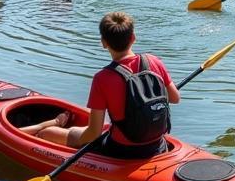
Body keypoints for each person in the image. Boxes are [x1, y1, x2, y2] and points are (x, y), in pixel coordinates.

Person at [19, 11, 181, 159]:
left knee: (47, 133)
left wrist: (75, 138)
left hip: (121, 150)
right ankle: (60, 126)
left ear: (104, 43)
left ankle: (49, 126)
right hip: (157, 145)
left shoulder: (103, 78)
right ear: (133, 38)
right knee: (80, 131)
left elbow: (94, 133)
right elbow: (174, 98)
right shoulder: (154, 61)